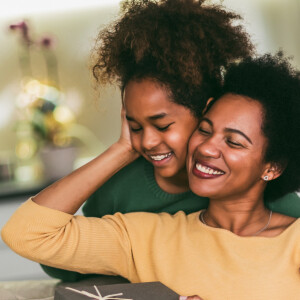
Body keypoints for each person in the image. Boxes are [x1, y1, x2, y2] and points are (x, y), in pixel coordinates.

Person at [2, 52, 300, 299]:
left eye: (233, 142)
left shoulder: (294, 240)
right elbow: (27, 233)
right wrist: (121, 149)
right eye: (204, 130)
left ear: (272, 167)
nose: (207, 147)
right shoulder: (144, 238)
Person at [40, 0, 260, 281]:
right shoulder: (118, 189)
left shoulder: (244, 183)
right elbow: (56, 256)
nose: (148, 142)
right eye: (135, 126)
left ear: (206, 112)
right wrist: (120, 150)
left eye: (163, 125)